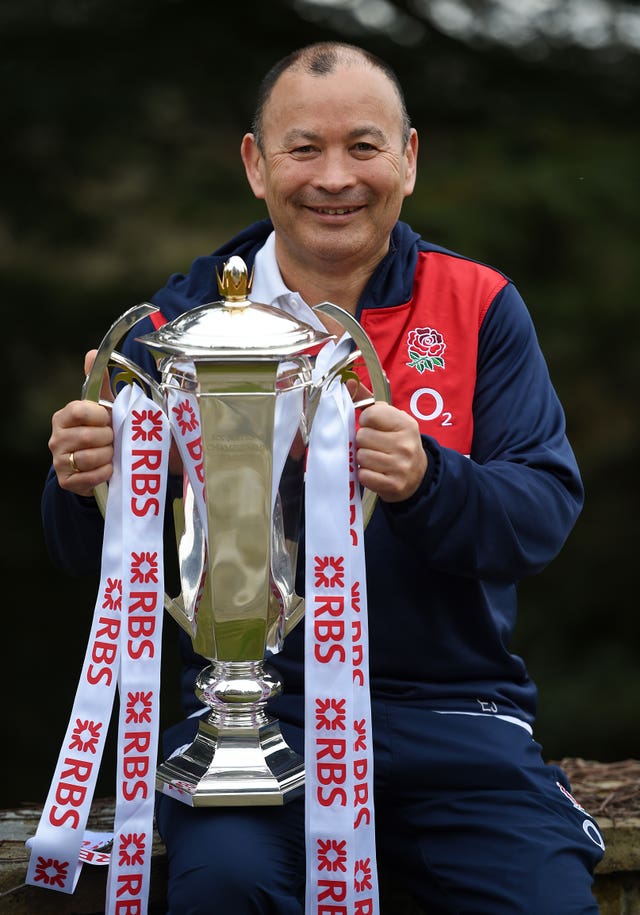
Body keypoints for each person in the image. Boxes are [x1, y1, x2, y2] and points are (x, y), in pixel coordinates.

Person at [43, 41, 604, 914]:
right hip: (255, 723)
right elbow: (89, 552)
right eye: (304, 148)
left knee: (543, 899)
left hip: (456, 721)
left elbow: (541, 513)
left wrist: (428, 481)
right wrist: (82, 479)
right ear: (255, 165)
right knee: (222, 887)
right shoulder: (167, 328)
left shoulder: (479, 303)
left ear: (409, 160)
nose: (335, 177)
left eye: (364, 147)